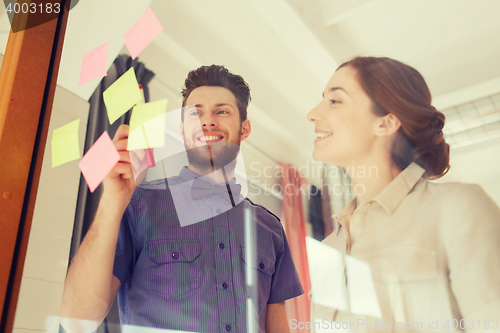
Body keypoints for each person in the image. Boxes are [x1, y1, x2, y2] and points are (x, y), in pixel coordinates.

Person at [60, 65, 303, 333]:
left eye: (221, 111)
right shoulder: (138, 206)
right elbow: (75, 321)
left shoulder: (270, 229)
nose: (207, 121)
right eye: (195, 113)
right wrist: (112, 201)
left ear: (244, 128)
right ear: (182, 128)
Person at [307, 56, 500, 332]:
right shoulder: (328, 249)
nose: (312, 113)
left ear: (386, 123)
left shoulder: (458, 207)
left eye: (334, 101)